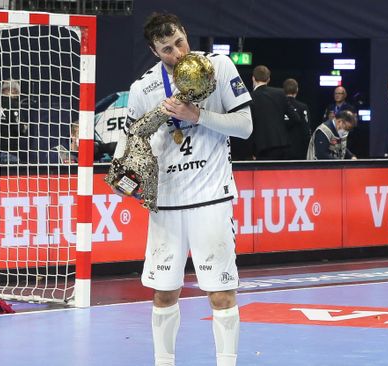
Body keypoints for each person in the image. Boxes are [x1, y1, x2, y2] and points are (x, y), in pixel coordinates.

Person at [111, 12, 252, 366]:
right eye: (166, 49)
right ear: (154, 51)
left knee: (220, 293)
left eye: (179, 43)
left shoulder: (218, 66)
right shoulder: (143, 89)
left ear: (186, 34)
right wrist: (124, 177)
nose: (176, 53)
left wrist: (198, 116)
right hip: (167, 203)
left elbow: (246, 127)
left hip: (212, 198)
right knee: (164, 292)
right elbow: (128, 143)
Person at [250, 65, 294, 160]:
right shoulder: (280, 93)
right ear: (268, 79)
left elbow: (249, 125)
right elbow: (295, 118)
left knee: (265, 175)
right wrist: (280, 127)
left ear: (253, 78)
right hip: (282, 145)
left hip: (262, 148)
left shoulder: (250, 97)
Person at [283, 78, 311, 159]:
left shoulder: (278, 107)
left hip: (281, 150)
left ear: (283, 90)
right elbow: (306, 130)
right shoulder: (302, 107)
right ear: (297, 90)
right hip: (299, 150)